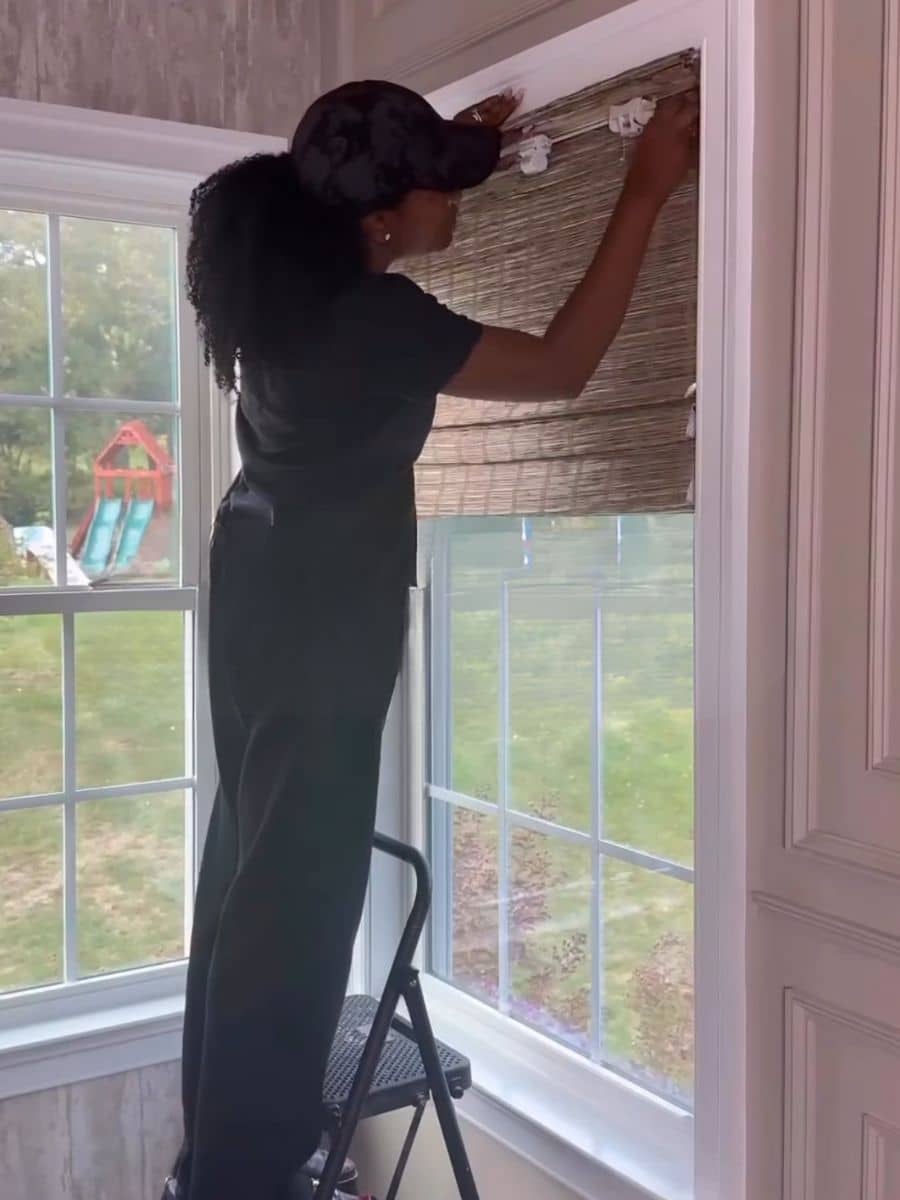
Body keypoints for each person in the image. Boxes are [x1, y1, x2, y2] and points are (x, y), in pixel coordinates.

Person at [167, 79, 698, 1200]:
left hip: (261, 585)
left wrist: (474, 146)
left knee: (250, 873)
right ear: (376, 222)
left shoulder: (295, 289)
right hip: (318, 615)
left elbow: (417, 216)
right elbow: (561, 367)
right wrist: (645, 192)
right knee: (301, 907)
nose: (457, 211)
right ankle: (246, 1182)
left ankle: (217, 1161)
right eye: (438, 191)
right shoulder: (377, 323)